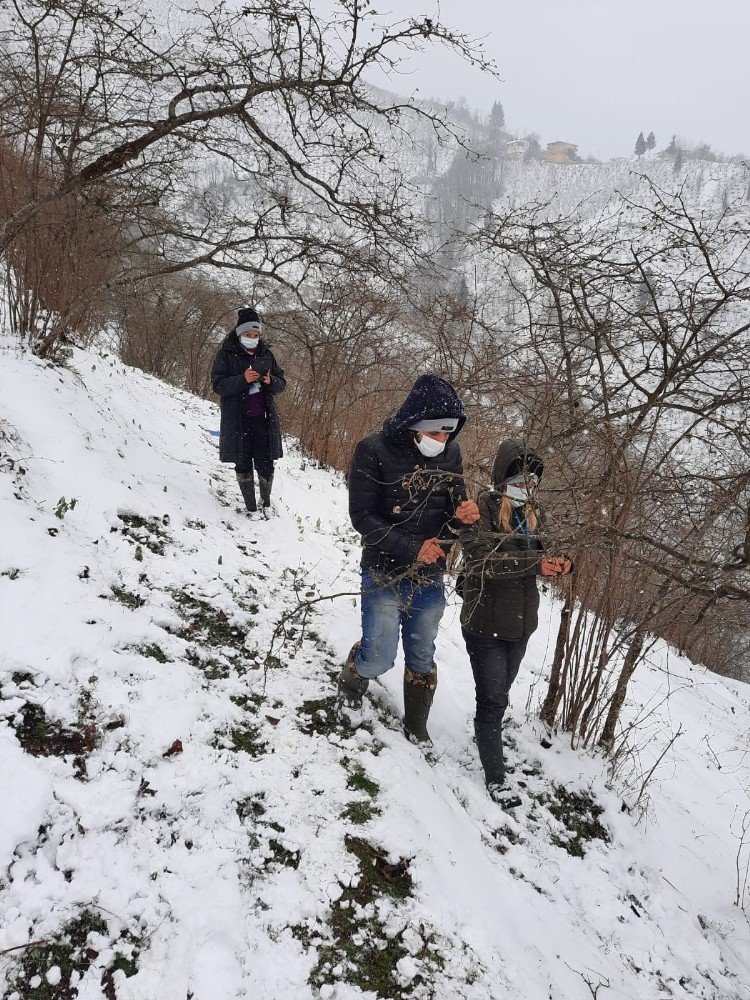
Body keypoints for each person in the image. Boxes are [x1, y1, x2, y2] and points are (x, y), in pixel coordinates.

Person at [339, 375, 480, 742]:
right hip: (383, 567)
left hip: (429, 572)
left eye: (448, 435)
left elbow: (452, 509)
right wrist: (410, 547)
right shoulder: (372, 450)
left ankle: (417, 724)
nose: (442, 442)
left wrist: (463, 518)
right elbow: (362, 517)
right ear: (415, 423)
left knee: (421, 653)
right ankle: (355, 676)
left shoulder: (451, 455)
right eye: (435, 433)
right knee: (380, 656)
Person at [459, 439, 571, 808]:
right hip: (484, 622)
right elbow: (481, 564)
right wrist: (533, 565)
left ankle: (484, 734)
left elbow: (549, 551)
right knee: (491, 702)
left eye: (533, 481)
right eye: (522, 480)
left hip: (521, 626)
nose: (529, 488)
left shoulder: (534, 514)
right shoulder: (480, 512)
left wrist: (561, 563)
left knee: (499, 696)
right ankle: (496, 779)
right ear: (503, 478)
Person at [210, 307, 286, 518]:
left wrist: (271, 381)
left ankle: (266, 502)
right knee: (242, 462)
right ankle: (250, 506)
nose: (252, 339)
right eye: (247, 335)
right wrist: (243, 379)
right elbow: (218, 385)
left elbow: (282, 384)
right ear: (239, 333)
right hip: (238, 420)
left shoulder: (266, 353)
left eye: (255, 335)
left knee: (265, 462)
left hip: (263, 419)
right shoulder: (226, 354)